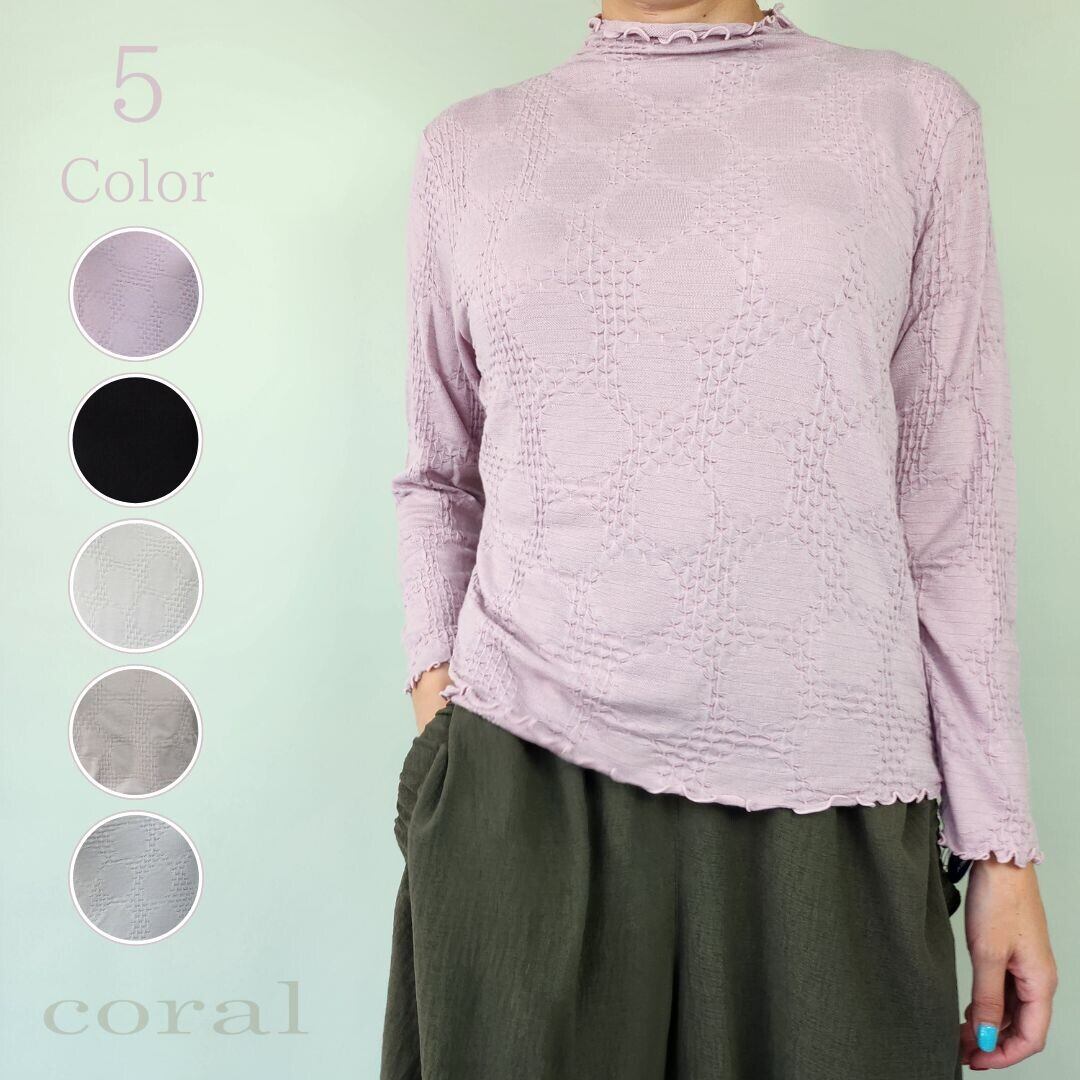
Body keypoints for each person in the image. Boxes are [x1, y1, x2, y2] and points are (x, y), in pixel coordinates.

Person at [383, 3, 1058, 1077]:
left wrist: (1001, 847)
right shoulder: (469, 147)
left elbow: (953, 509)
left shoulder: (911, 119)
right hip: (525, 780)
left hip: (831, 794)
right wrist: (444, 725)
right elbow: (437, 473)